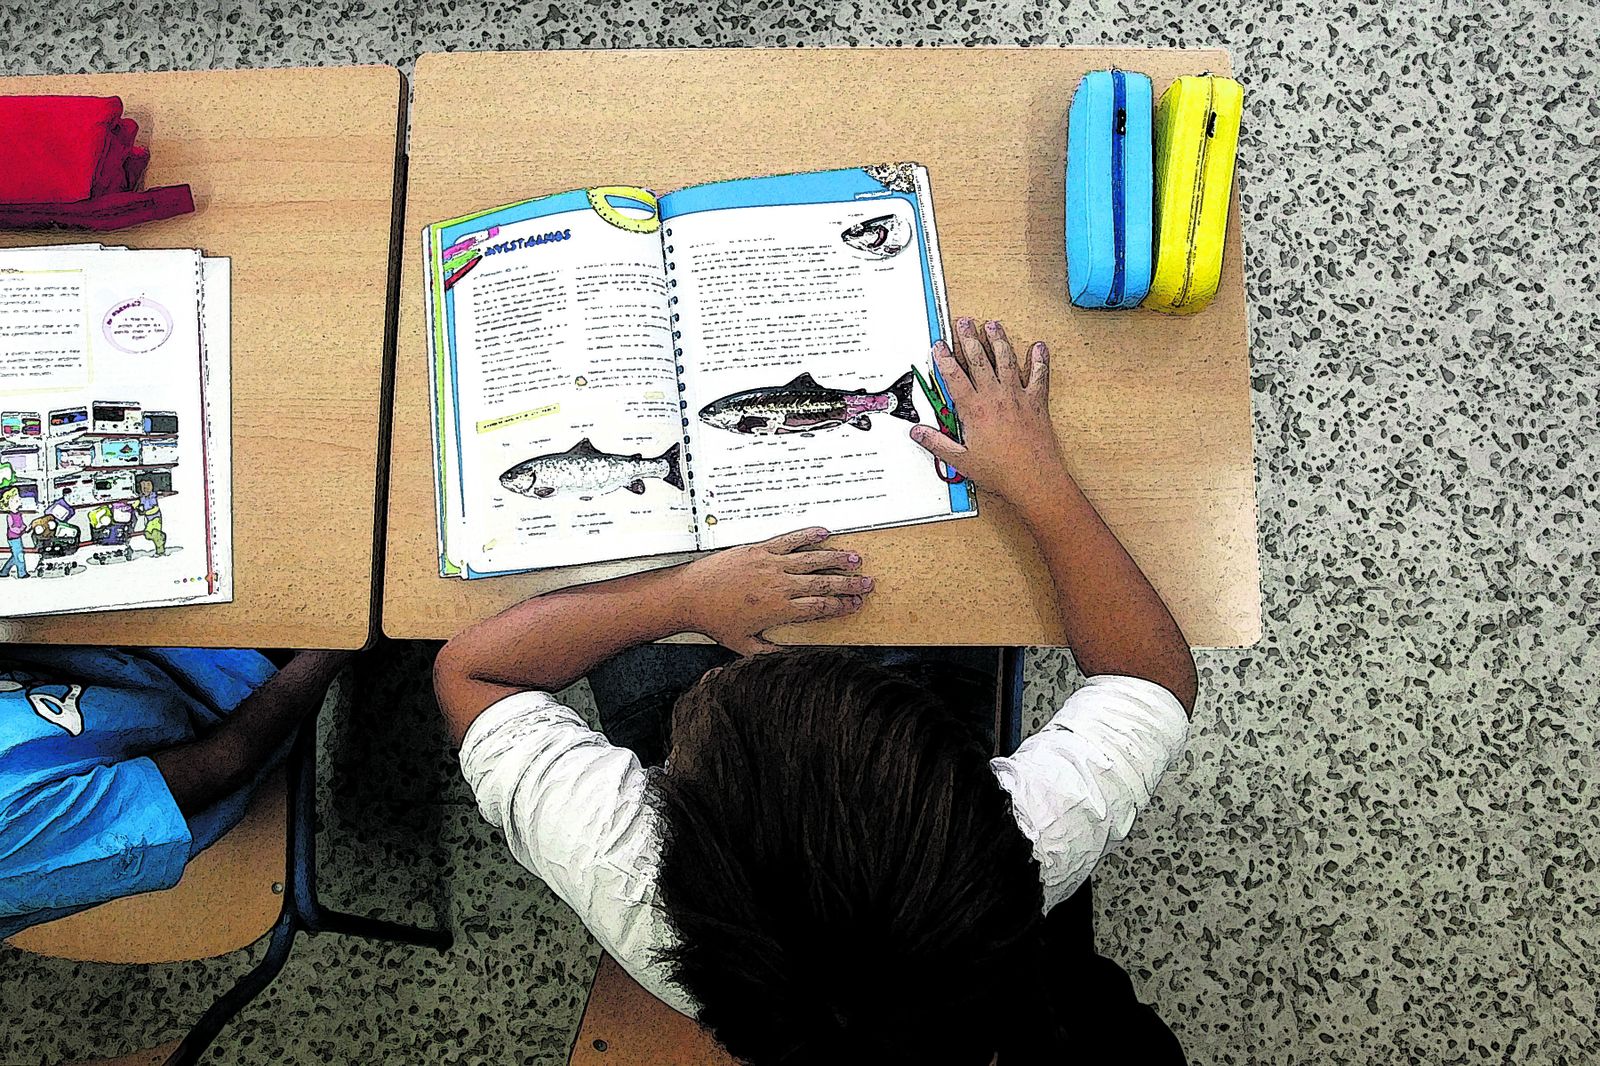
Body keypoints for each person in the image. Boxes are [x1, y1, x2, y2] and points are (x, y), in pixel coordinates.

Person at [433, 317, 1199, 1064]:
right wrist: (1041, 483)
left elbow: (475, 672)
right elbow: (1150, 677)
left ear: (659, 818)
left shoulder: (629, 875)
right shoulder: (1005, 854)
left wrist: (679, 600)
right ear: (985, 794)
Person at [0, 648, 348, 939]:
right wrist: (336, 642)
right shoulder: (15, 840)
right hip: (226, 695)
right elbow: (224, 761)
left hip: (103, 638)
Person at [1, 487, 28, 579]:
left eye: (19, 499)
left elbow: (22, 524)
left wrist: (24, 527)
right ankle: (22, 573)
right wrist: (19, 530)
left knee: (15, 556)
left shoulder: (19, 514)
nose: (19, 501)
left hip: (17, 537)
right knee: (19, 555)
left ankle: (4, 572)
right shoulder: (10, 515)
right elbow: (12, 527)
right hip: (13, 538)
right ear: (9, 504)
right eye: (16, 500)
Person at [135, 476, 165, 556]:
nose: (146, 488)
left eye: (148, 485)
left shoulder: (152, 497)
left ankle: (160, 550)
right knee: (147, 534)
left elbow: (155, 509)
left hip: (155, 519)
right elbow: (138, 502)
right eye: (143, 486)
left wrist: (145, 513)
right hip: (149, 520)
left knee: (155, 533)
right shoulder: (143, 497)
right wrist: (132, 506)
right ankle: (161, 537)